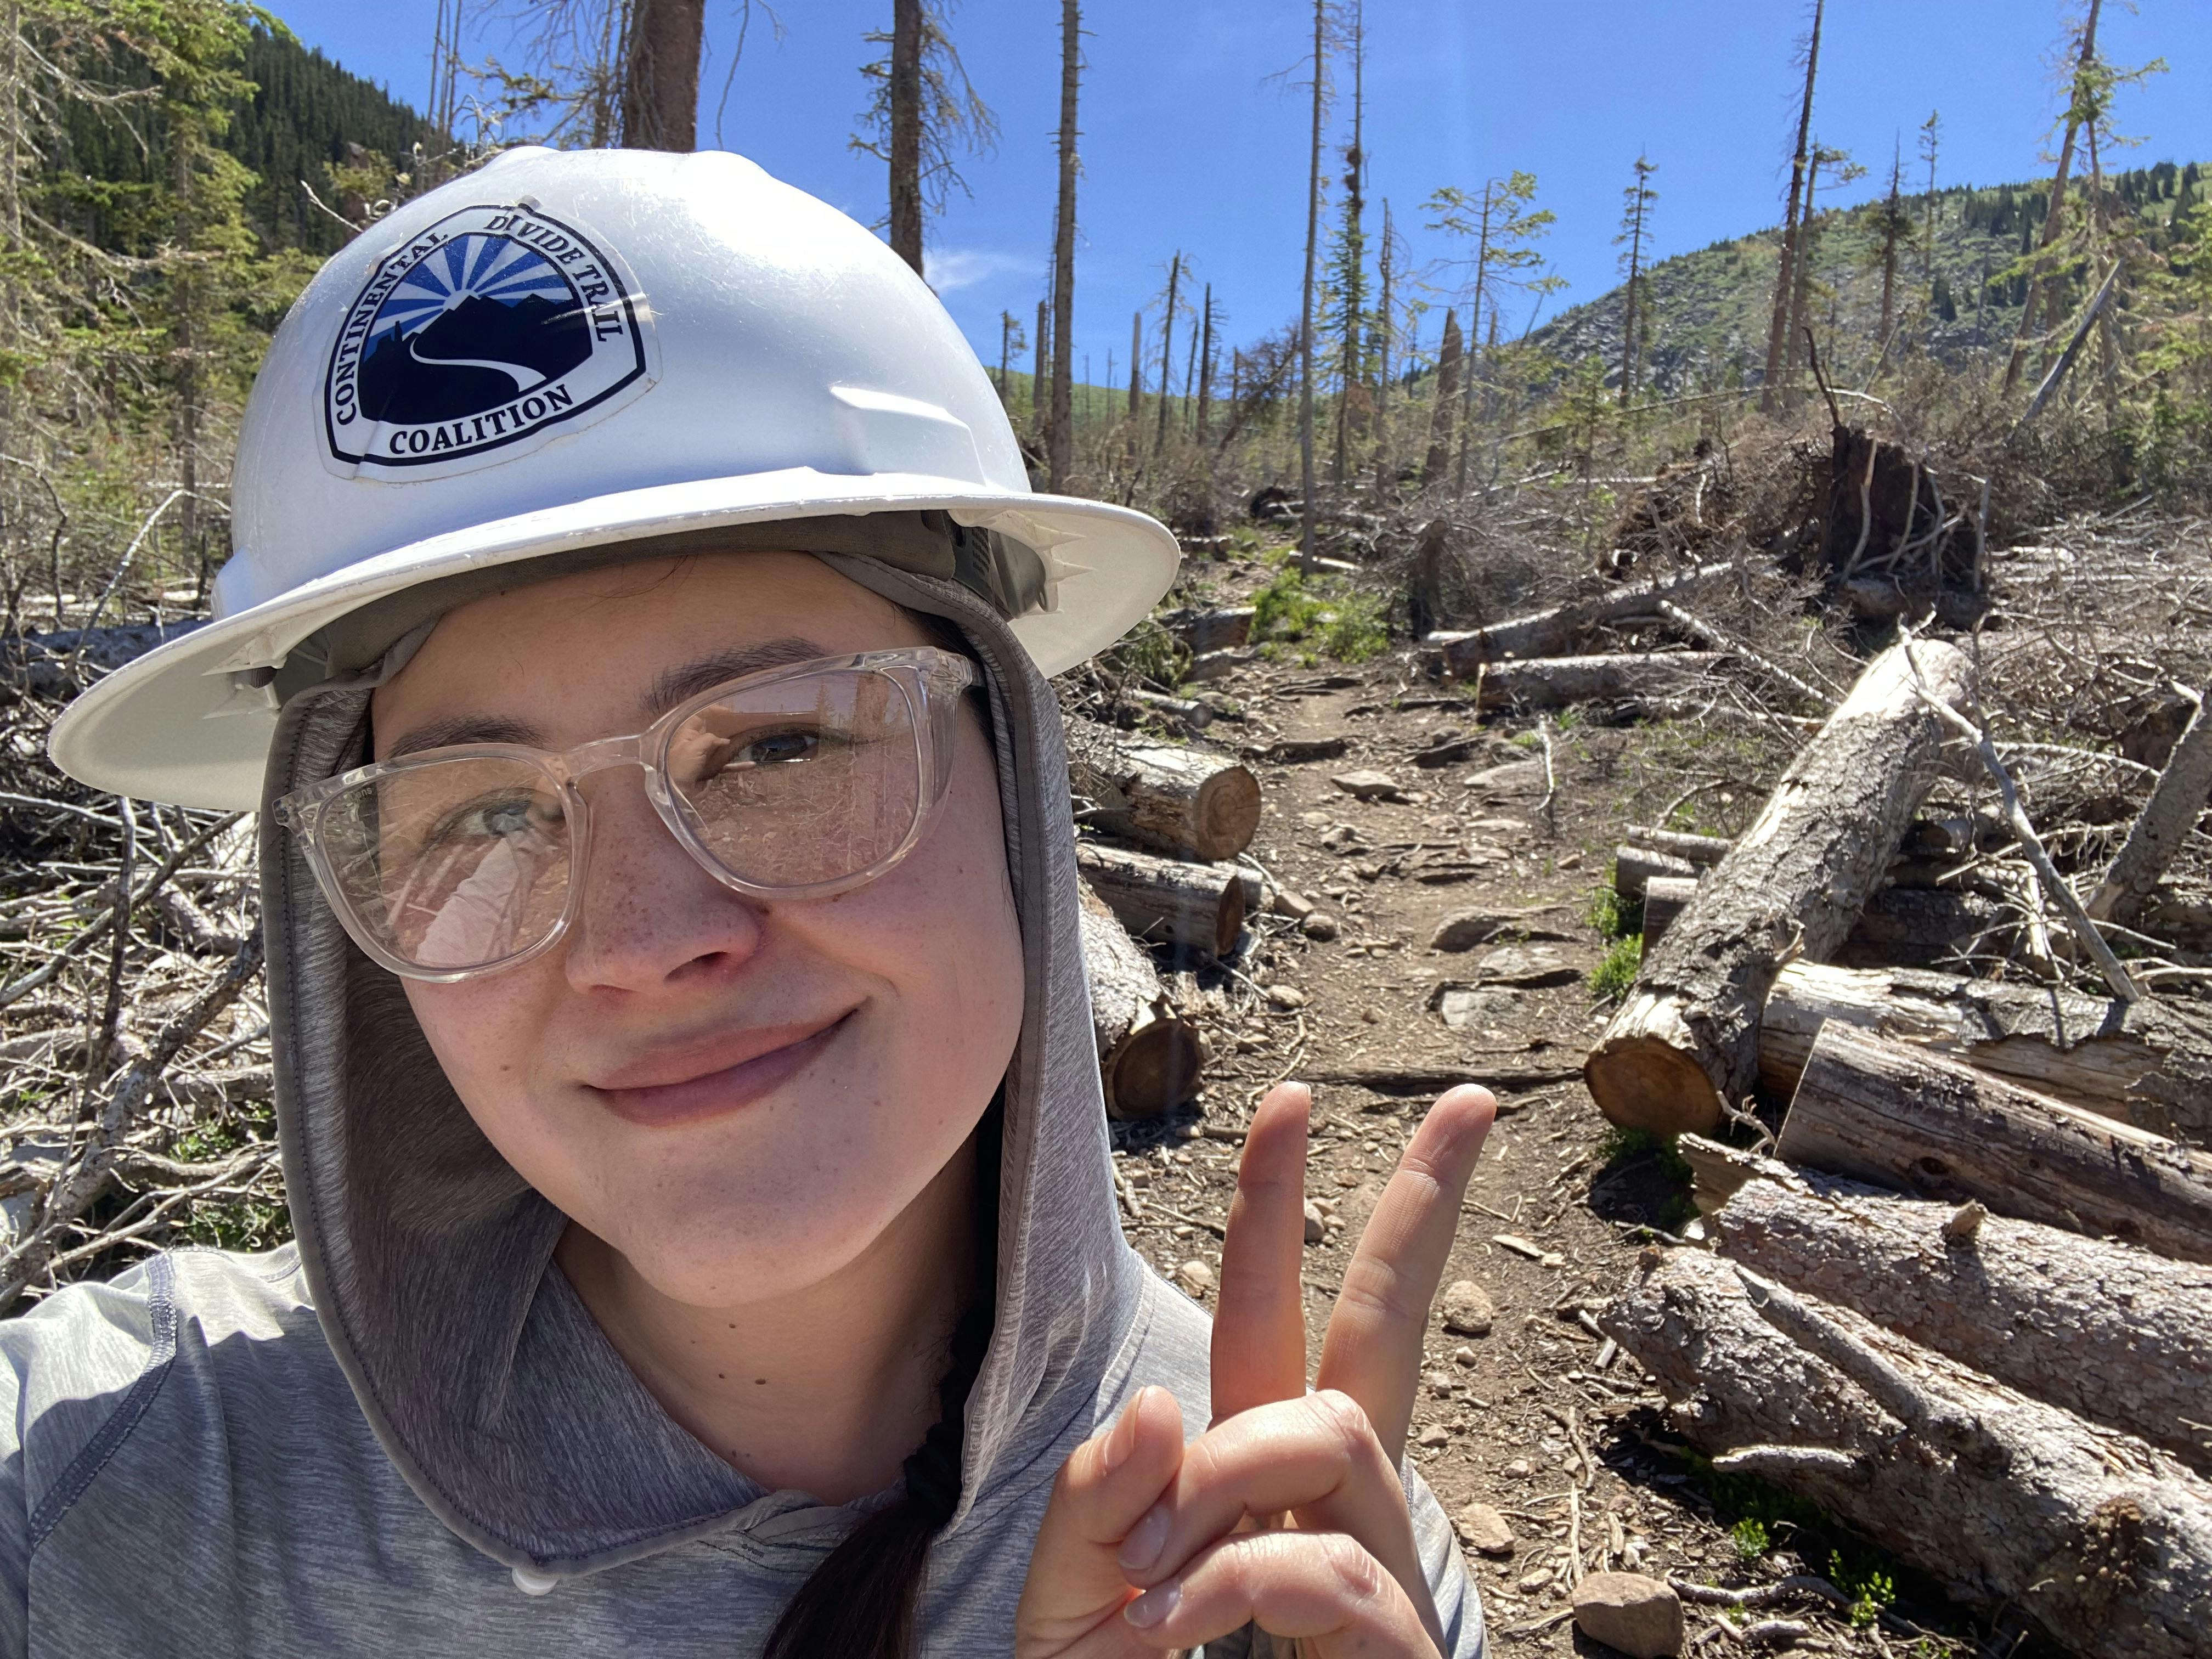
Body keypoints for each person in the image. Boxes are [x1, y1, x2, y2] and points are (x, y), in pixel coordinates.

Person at [21, 146, 1497, 1656]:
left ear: (1021, 773)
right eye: (487, 812)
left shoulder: (1300, 1556)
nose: (645, 944)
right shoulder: (110, 1481)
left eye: (780, 748)